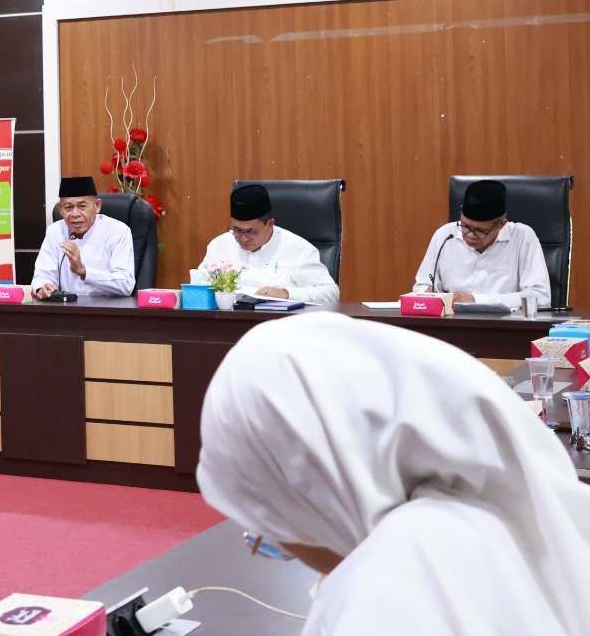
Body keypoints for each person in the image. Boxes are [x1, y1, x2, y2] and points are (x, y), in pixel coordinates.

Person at [197, 312, 590, 636]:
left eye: (266, 521)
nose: (265, 545)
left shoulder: (402, 587)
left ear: (318, 489)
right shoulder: (489, 520)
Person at [411, 179, 550, 310]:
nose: (470, 235)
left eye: (480, 231)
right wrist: (428, 294)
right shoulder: (446, 235)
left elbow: (540, 297)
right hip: (454, 322)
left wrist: (476, 300)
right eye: (465, 226)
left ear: (501, 224)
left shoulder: (522, 237)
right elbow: (422, 286)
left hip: (505, 324)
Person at [197, 184, 337, 306]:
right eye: (237, 230)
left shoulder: (299, 249)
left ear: (269, 225)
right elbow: (199, 285)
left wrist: (286, 293)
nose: (243, 238)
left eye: (250, 232)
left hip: (279, 324)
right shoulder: (219, 245)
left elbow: (331, 293)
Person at [31, 176, 135, 298]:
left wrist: (84, 271)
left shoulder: (118, 231)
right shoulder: (55, 231)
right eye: (68, 207)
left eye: (82, 206)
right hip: (66, 306)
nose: (75, 214)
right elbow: (42, 275)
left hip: (106, 307)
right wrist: (43, 287)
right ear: (60, 209)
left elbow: (126, 284)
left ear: (97, 206)